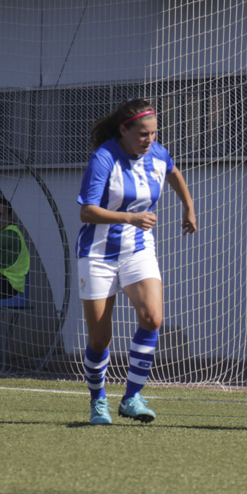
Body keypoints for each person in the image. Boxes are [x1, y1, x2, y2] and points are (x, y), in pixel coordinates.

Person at [77, 99, 196, 425]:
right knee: (100, 339)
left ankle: (132, 397)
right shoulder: (104, 158)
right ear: (124, 130)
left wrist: (188, 206)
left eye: (154, 133)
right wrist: (129, 217)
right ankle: (98, 401)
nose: (149, 140)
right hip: (98, 254)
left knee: (152, 317)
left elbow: (172, 171)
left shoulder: (156, 153)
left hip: (138, 250)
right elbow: (87, 212)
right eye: (143, 134)